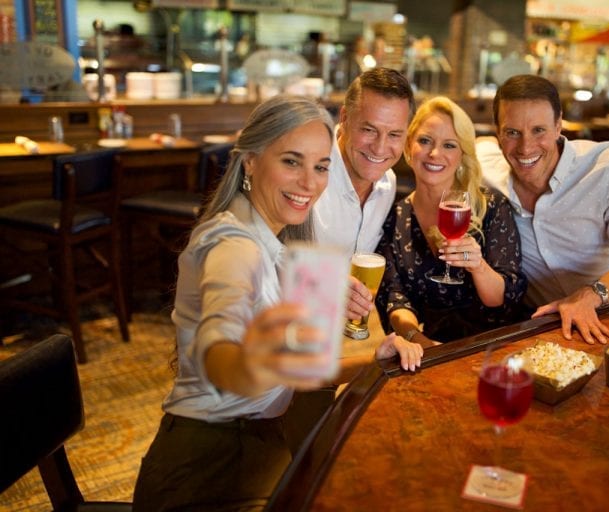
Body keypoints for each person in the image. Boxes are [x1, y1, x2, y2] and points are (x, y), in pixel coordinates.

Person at [133, 95, 423, 512]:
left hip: (260, 446)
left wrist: (375, 355)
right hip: (206, 470)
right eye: (291, 161)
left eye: (321, 167)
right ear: (250, 161)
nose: (309, 183)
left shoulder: (280, 238)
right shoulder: (234, 245)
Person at [477, 75, 609, 345]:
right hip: (532, 327)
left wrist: (588, 296)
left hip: (602, 314)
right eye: (512, 132)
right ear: (498, 132)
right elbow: (476, 146)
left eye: (539, 130)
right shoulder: (488, 171)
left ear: (558, 124)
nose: (526, 147)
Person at [375, 96, 527, 346]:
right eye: (425, 141)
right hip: (430, 349)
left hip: (494, 346)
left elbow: (503, 299)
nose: (435, 154)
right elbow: (395, 297)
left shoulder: (490, 206)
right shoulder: (395, 217)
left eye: (449, 145)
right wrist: (420, 341)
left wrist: (477, 265)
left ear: (462, 155)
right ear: (409, 145)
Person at [312, 67, 415, 322]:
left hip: (341, 330)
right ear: (345, 117)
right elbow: (263, 261)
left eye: (394, 134)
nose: (380, 148)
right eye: (369, 130)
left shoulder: (387, 183)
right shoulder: (309, 173)